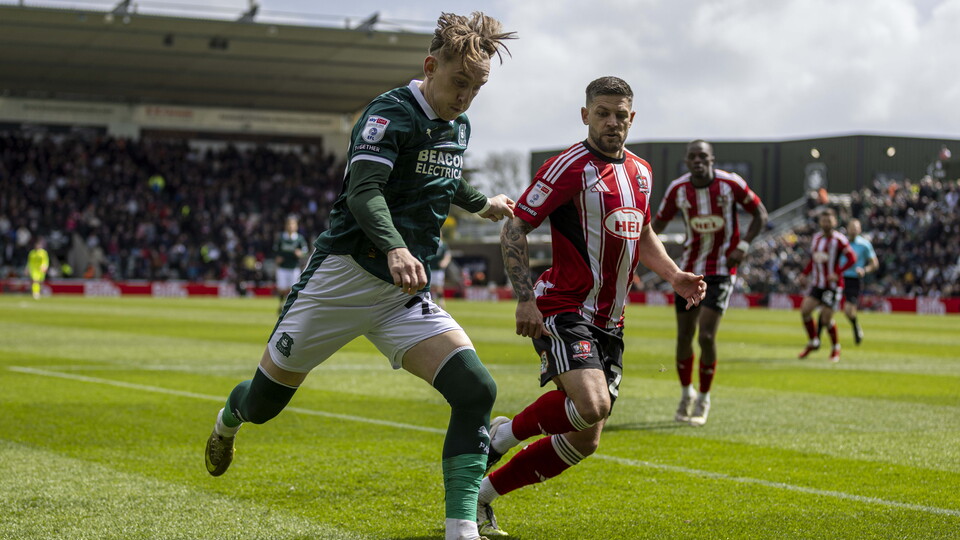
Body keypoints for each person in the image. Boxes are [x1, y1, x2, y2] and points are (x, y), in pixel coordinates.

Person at [203, 12, 517, 540]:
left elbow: (445, 175)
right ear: (429, 65)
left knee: (475, 390)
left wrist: (483, 203)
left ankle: (460, 528)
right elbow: (364, 191)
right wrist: (394, 246)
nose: (466, 97)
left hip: (402, 292)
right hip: (343, 279)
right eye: (459, 82)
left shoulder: (458, 124)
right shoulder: (388, 113)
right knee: (264, 405)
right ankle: (226, 422)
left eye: (477, 87)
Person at [476, 76, 706, 537]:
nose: (612, 122)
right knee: (593, 403)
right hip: (563, 307)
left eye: (621, 115)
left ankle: (484, 496)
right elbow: (515, 228)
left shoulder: (641, 171)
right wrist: (525, 299)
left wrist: (675, 275)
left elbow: (639, 232)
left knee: (585, 439)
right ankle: (502, 435)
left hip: (610, 322)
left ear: (632, 118)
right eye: (602, 113)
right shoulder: (567, 167)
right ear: (585, 115)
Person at [651, 140, 768, 426]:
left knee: (705, 336)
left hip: (721, 270)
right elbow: (656, 226)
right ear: (687, 162)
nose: (698, 160)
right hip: (688, 272)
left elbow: (759, 214)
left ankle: (704, 398)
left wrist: (742, 245)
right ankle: (685, 393)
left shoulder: (731, 184)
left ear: (712, 159)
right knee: (683, 336)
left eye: (703, 155)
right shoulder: (678, 190)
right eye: (693, 157)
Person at [797, 208, 856, 362]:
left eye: (829, 220)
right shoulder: (816, 238)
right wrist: (804, 273)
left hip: (833, 286)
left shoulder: (839, 240)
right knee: (805, 310)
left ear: (834, 222)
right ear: (820, 222)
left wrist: (838, 273)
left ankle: (836, 348)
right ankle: (813, 341)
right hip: (818, 283)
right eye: (823, 220)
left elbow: (852, 258)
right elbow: (814, 259)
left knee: (825, 319)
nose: (826, 223)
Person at [840, 218, 878, 345]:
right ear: (847, 228)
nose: (854, 230)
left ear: (860, 229)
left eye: (856, 228)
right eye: (852, 227)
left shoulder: (865, 244)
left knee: (848, 311)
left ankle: (856, 326)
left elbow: (874, 264)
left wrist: (864, 270)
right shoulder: (841, 242)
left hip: (854, 279)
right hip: (839, 278)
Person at [273, 216, 309, 312]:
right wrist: (277, 258)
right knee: (281, 288)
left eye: (293, 224)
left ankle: (290, 307)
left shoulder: (299, 239)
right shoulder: (281, 237)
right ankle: (280, 304)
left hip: (294, 267)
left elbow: (305, 251)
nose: (291, 226)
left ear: (296, 226)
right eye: (289, 224)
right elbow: (275, 250)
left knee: (292, 289)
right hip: (282, 267)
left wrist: (300, 253)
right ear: (286, 226)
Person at [430, 231, 454, 309]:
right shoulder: (430, 243)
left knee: (438, 286)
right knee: (429, 286)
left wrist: (444, 262)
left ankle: (441, 301)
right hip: (429, 268)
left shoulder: (443, 245)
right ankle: (431, 301)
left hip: (438, 269)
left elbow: (448, 255)